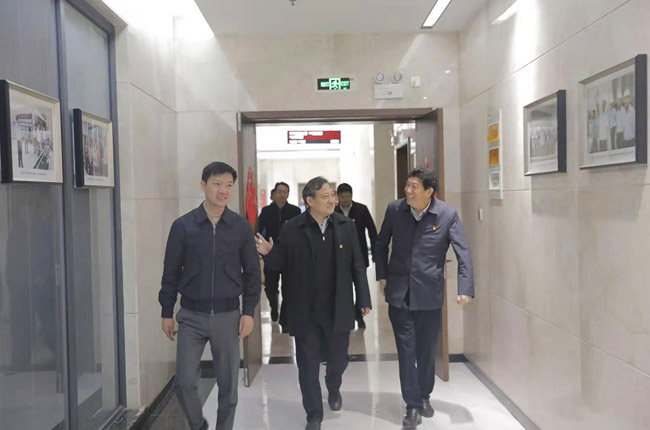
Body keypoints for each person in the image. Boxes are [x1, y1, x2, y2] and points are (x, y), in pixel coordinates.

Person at [256, 176, 371, 430]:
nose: (332, 200)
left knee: (339, 359)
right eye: (325, 196)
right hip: (304, 309)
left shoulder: (345, 225)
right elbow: (280, 264)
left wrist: (363, 297)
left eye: (332, 195)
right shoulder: (292, 228)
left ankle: (333, 385)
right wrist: (268, 254)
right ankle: (314, 414)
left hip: (337, 306)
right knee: (307, 365)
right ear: (310, 201)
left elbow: (357, 264)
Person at [159, 161, 261, 430]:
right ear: (203, 185)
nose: (223, 190)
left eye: (228, 185)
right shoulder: (183, 226)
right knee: (183, 382)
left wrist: (248, 312)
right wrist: (166, 312)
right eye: (217, 184)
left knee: (228, 389)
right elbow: (170, 272)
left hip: (228, 316)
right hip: (191, 316)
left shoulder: (240, 227)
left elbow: (252, 274)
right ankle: (199, 426)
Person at [375, 167, 474, 430]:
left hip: (429, 295)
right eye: (407, 185)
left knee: (426, 350)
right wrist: (382, 276)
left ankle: (424, 395)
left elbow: (463, 252)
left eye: (414, 187)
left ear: (429, 191)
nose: (407, 191)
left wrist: (465, 287)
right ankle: (412, 405)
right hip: (399, 294)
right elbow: (381, 244)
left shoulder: (446, 214)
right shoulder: (395, 210)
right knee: (406, 351)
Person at [334, 183, 378, 329]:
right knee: (343, 287)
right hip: (340, 257)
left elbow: (372, 232)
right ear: (338, 197)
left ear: (351, 196)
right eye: (342, 197)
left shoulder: (361, 209)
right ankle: (346, 315)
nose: (345, 199)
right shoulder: (334, 211)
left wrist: (376, 254)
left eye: (348, 196)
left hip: (360, 254)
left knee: (360, 286)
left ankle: (359, 316)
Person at [256, 182, 301, 323]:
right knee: (270, 286)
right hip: (271, 253)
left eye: (285, 192)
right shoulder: (266, 211)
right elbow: (258, 230)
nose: (282, 194)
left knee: (288, 287)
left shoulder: (295, 211)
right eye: (280, 191)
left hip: (289, 254)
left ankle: (285, 318)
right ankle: (274, 306)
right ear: (274, 194)